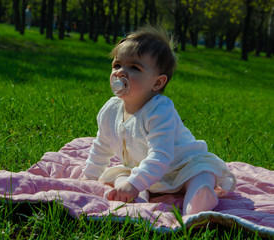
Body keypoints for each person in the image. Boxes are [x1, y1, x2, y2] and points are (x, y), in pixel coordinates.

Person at [82, 26, 236, 215]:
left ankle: (198, 198)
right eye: (117, 65)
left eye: (134, 67)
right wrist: (90, 176)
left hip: (182, 166)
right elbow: (101, 146)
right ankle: (134, 198)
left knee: (202, 172)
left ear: (157, 83)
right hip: (143, 170)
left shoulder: (159, 110)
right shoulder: (110, 110)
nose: (120, 72)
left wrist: (135, 183)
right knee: (120, 175)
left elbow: (161, 156)